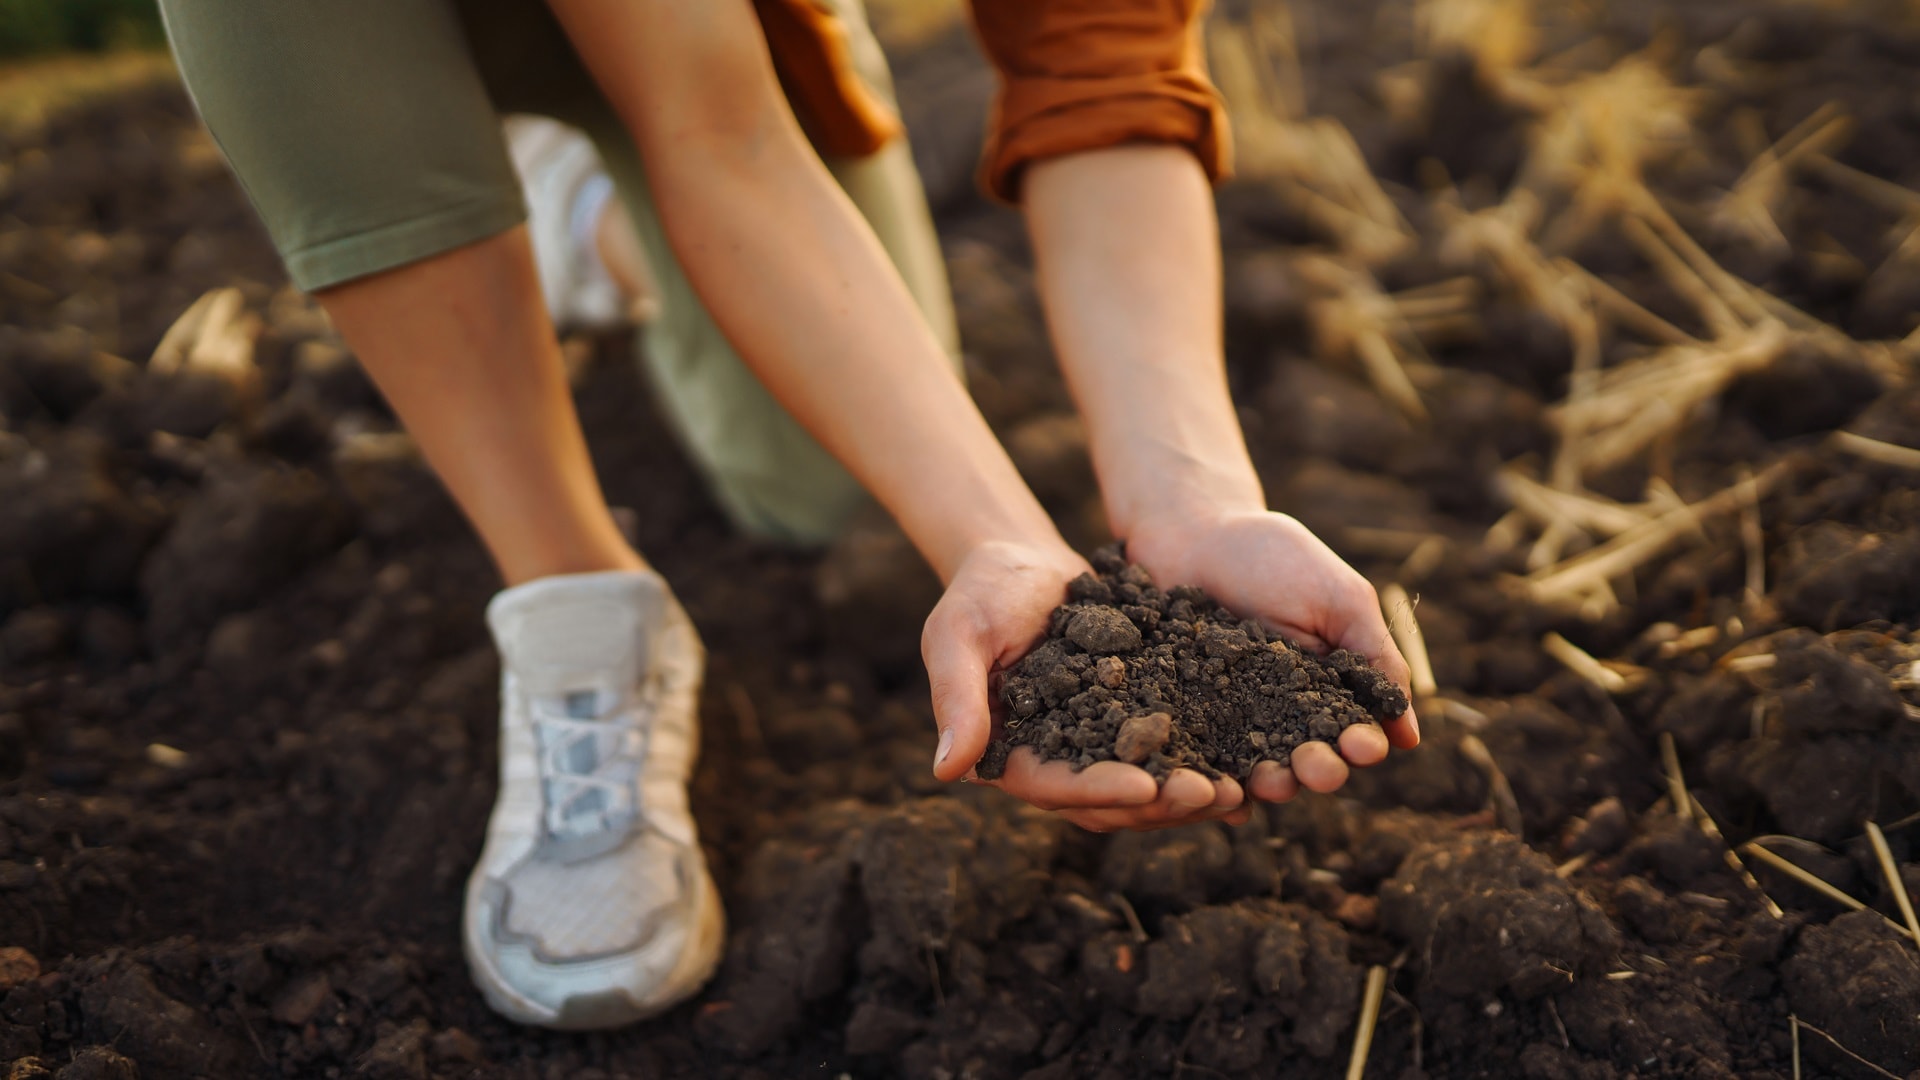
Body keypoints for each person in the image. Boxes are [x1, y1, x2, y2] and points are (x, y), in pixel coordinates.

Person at [157, 0, 1419, 1031]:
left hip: (711, 49)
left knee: (815, 481)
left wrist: (1171, 507)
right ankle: (571, 585)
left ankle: (580, 217)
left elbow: (1098, 83)